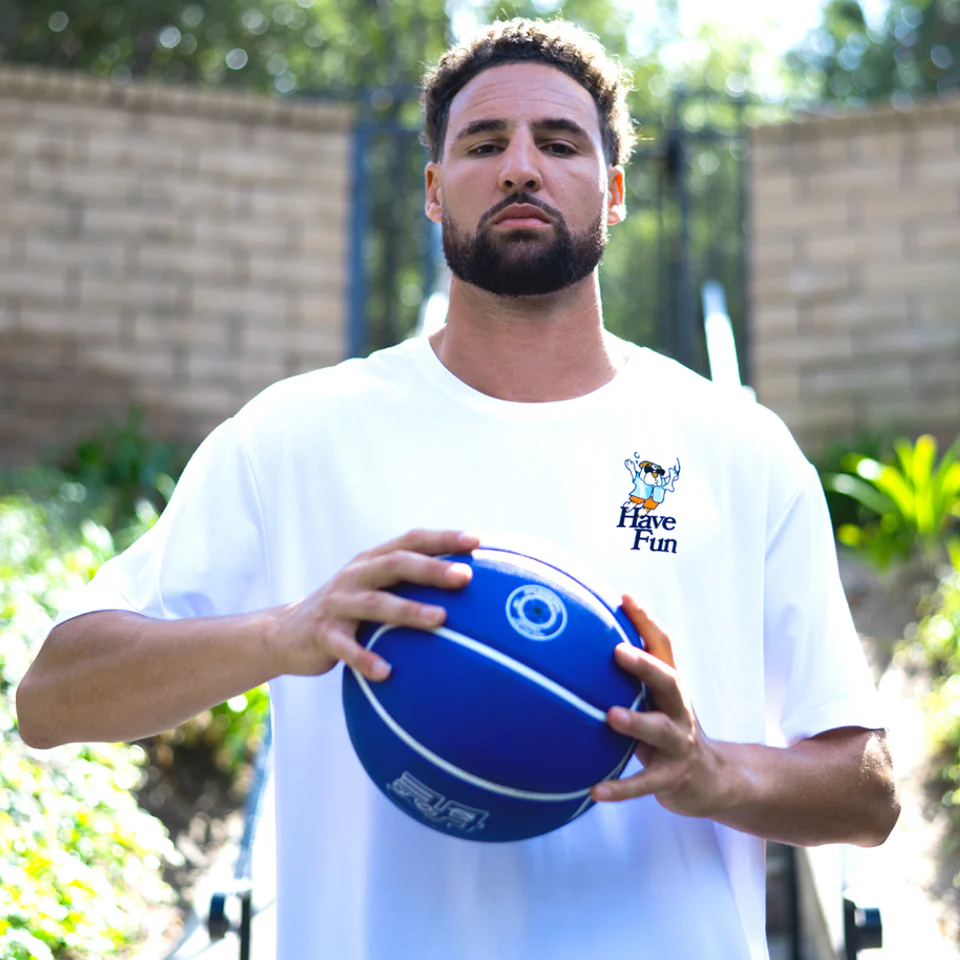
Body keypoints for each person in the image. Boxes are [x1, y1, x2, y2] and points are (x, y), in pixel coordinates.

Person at [17, 18, 898, 960]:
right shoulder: (297, 435)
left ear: (615, 191)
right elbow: (52, 698)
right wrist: (285, 632)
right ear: (434, 191)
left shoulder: (739, 449)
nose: (521, 168)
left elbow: (870, 791)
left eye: (560, 143)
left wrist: (713, 770)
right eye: (484, 144)